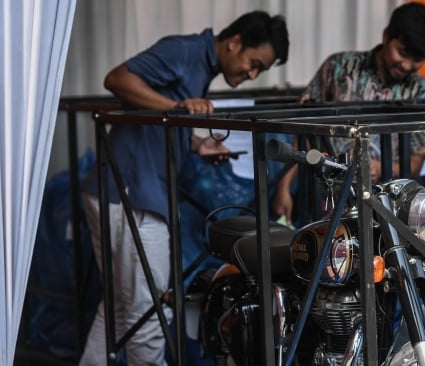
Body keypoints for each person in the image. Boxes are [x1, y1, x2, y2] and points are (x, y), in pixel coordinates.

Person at [80, 11, 289, 366]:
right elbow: (116, 78)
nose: (252, 74)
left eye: (261, 72)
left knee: (120, 306)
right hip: (132, 192)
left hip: (117, 190)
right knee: (149, 311)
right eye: (254, 63)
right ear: (234, 42)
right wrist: (177, 108)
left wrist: (195, 144)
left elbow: (156, 120)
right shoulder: (184, 51)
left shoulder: (199, 65)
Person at [272, 2, 425, 221]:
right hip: (324, 203)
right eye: (402, 53)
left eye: (417, 60)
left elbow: (416, 163)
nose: (407, 66)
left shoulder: (423, 94)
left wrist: (380, 168)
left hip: (388, 210)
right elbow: (305, 134)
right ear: (386, 36)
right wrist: (284, 186)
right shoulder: (338, 69)